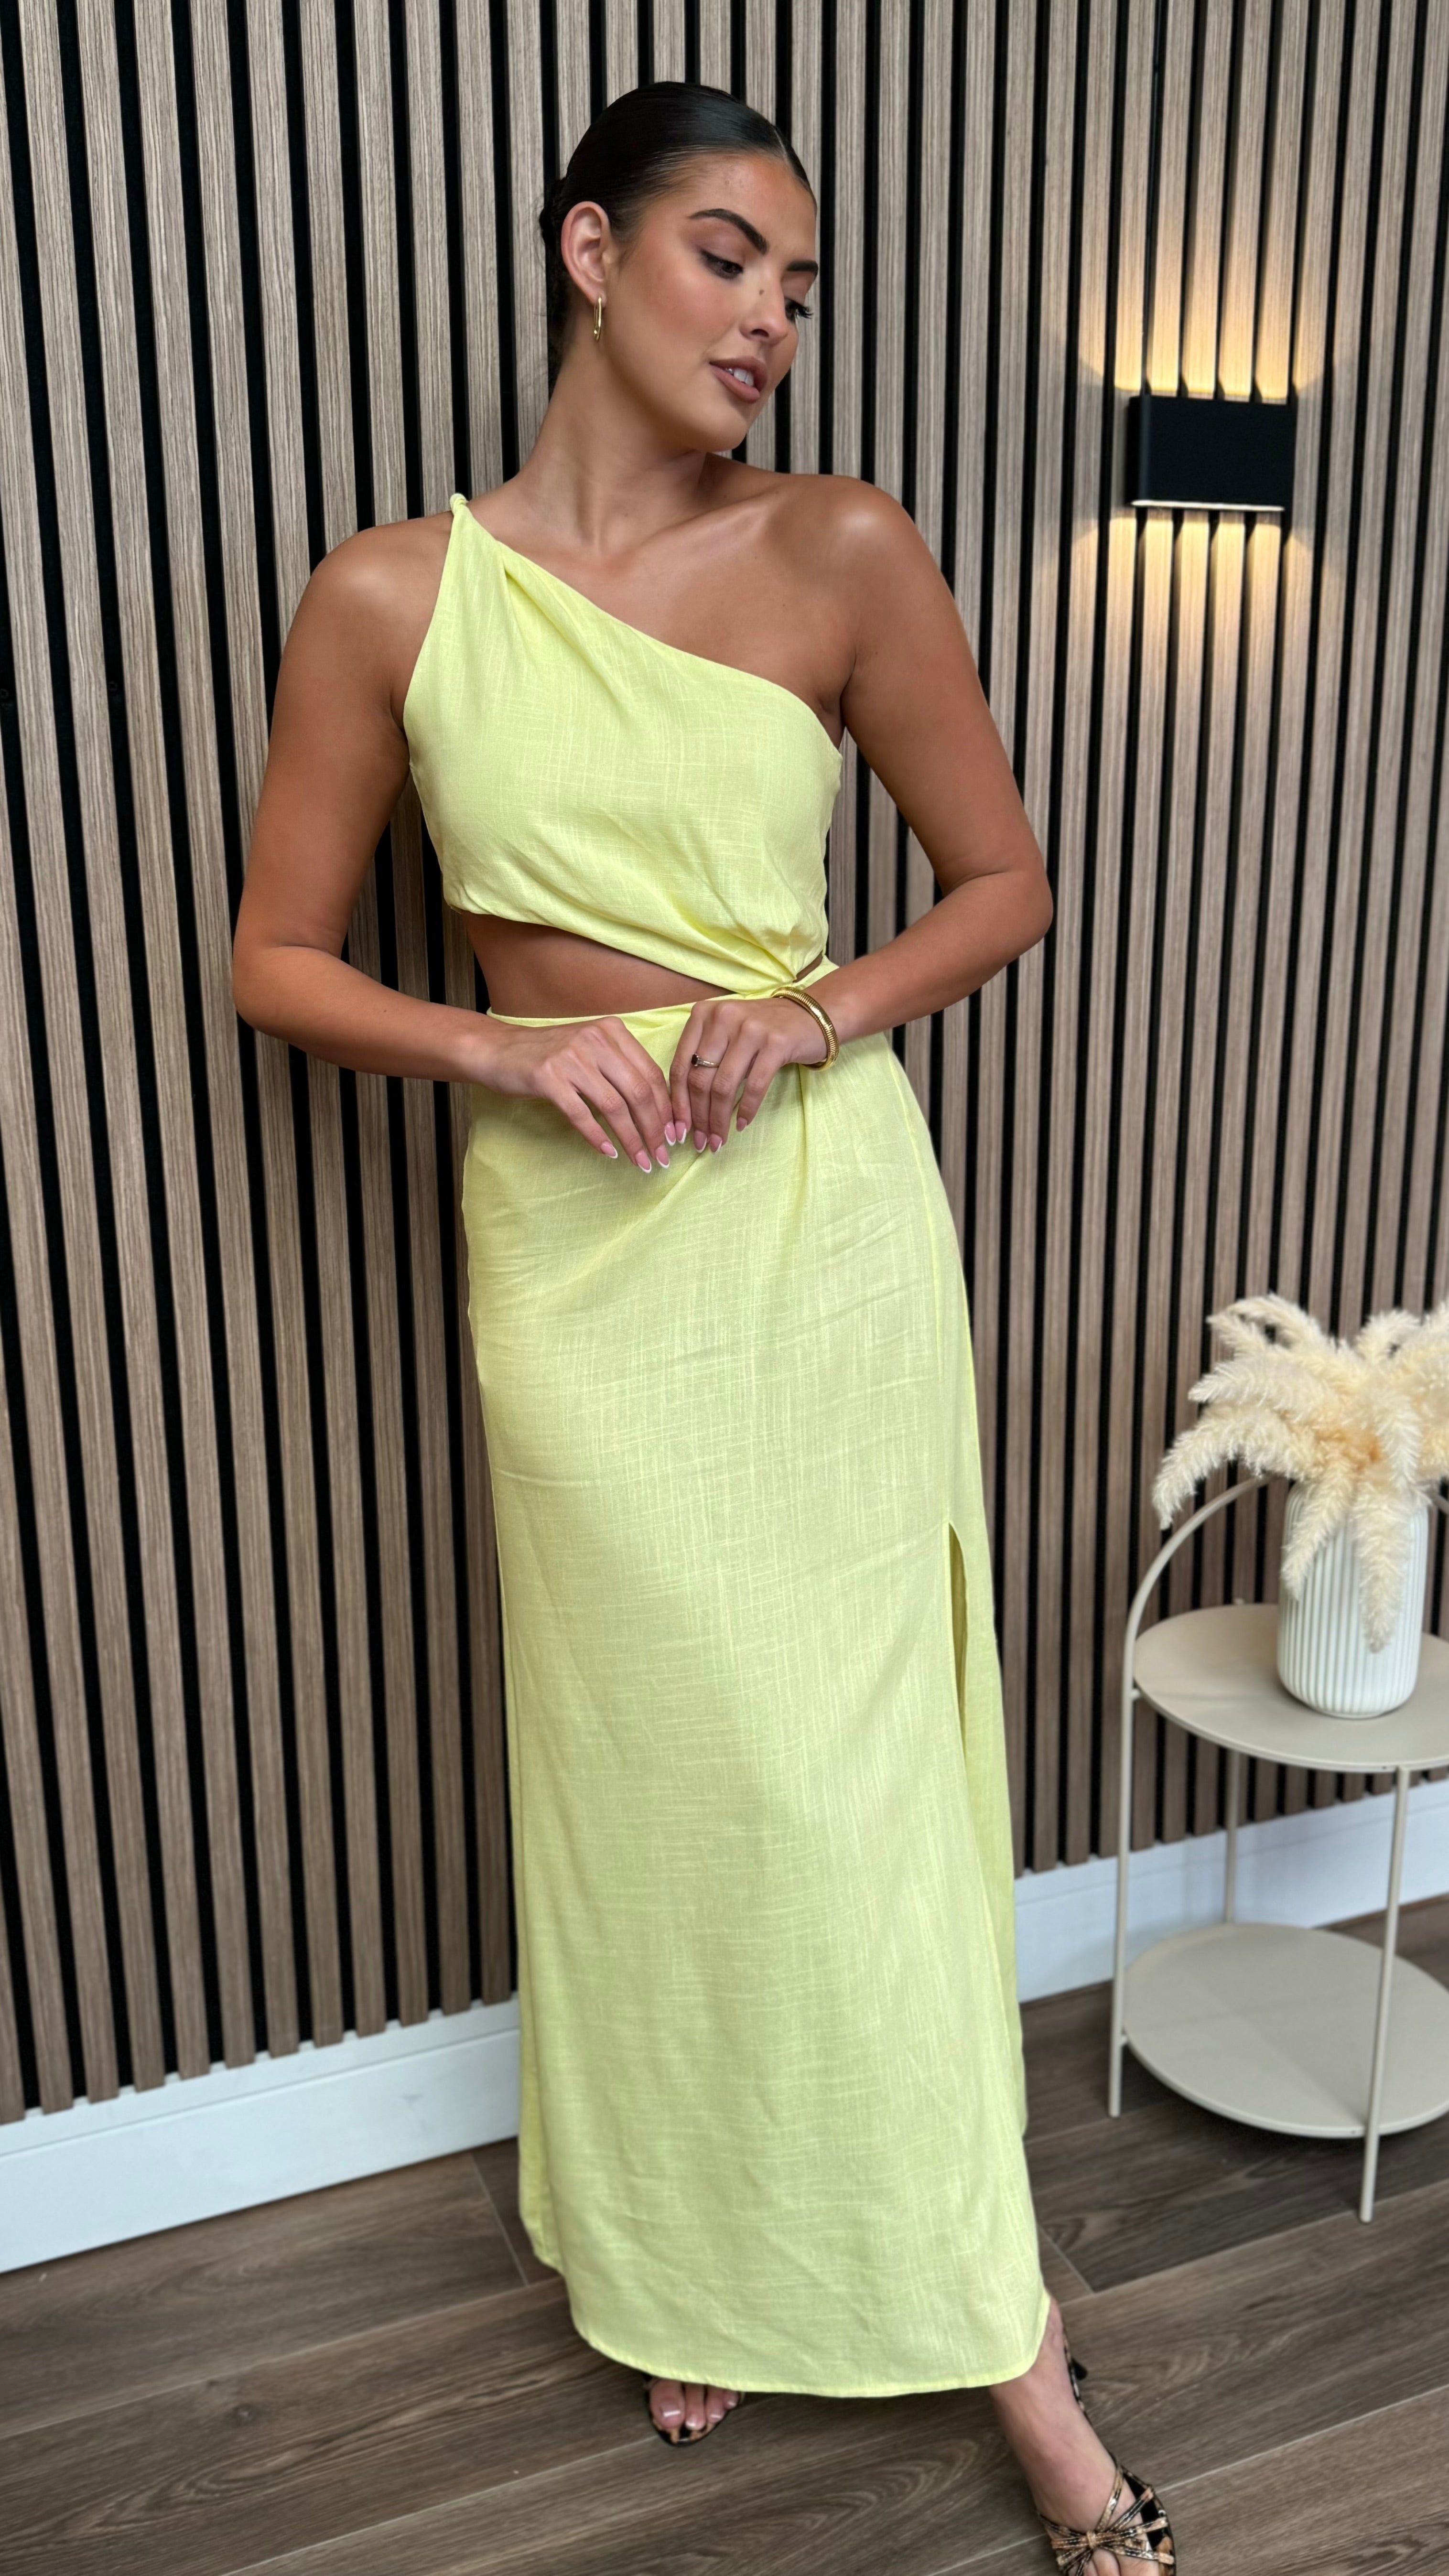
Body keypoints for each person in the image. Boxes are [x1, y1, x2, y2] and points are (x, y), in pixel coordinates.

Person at [233, 78, 1175, 2576]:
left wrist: (819, 1007)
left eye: (798, 285)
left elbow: (1002, 881)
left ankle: (1010, 2347)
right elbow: (277, 957)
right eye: (726, 256)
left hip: (818, 1228)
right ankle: (695, 2244)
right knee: (657, 1778)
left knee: (859, 1791)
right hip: (573, 1253)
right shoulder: (391, 597)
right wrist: (500, 1050)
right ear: (589, 251)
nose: (768, 318)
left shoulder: (841, 546)